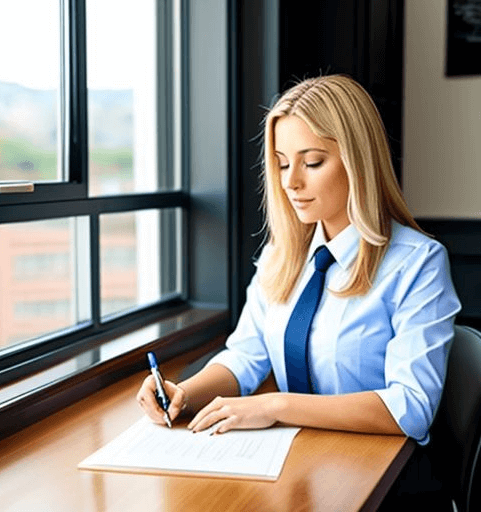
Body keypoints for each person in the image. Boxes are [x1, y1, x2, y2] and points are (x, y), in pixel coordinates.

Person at [137, 75, 461, 509]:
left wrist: (277, 406)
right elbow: (246, 356)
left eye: (311, 162)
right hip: (295, 467)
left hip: (382, 482)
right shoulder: (281, 255)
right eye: (282, 162)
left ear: (357, 161)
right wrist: (184, 393)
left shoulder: (417, 264)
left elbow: (411, 406)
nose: (291, 182)